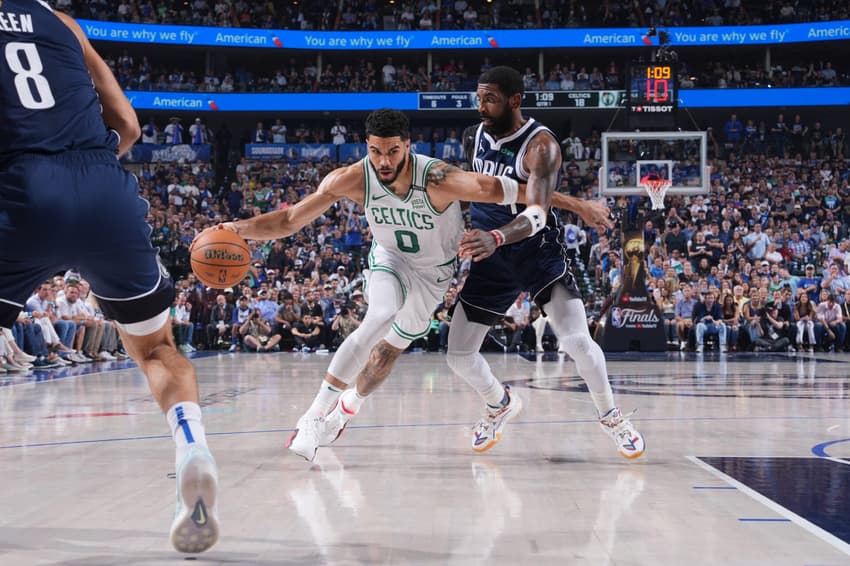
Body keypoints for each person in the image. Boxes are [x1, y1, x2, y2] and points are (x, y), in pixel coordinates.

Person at [195, 108, 606, 461]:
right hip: (389, 259)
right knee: (380, 314)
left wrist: (579, 205)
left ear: (407, 145)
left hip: (432, 276)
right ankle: (316, 416)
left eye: (392, 150)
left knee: (383, 359)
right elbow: (288, 221)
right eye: (375, 150)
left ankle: (345, 410)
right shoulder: (352, 178)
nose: (384, 159)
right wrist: (236, 227)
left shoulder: (441, 178)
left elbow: (524, 191)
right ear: (366, 147)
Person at [0, 3, 218, 553]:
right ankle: (192, 448)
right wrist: (88, 181)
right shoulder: (62, 21)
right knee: (155, 348)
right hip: (104, 186)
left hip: (23, 189)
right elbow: (128, 125)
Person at [447, 66, 644, 459]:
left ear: (515, 100)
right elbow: (478, 189)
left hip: (536, 250)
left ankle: (611, 416)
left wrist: (497, 235)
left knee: (575, 340)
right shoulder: (474, 136)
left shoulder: (541, 145)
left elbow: (537, 210)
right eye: (479, 98)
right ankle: (499, 402)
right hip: (491, 256)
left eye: (490, 99)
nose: (481, 106)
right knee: (457, 355)